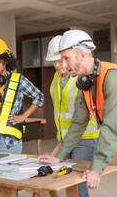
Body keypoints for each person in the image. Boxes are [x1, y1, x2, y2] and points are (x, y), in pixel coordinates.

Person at [37, 29, 117, 190]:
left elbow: (110, 125)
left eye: (66, 58)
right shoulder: (86, 83)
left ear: (82, 55)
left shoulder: (111, 76)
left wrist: (96, 167)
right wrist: (58, 156)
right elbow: (78, 123)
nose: (63, 65)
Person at [40, 35, 99, 197]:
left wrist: (56, 152)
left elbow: (79, 120)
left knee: (78, 183)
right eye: (54, 62)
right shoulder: (56, 77)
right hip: (65, 138)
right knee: (66, 180)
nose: (58, 65)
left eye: (62, 60)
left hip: (85, 138)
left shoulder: (81, 79)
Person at [0, 38, 44, 154]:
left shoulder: (18, 80)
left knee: (10, 171)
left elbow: (39, 97)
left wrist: (23, 116)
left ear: (6, 61)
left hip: (10, 141)